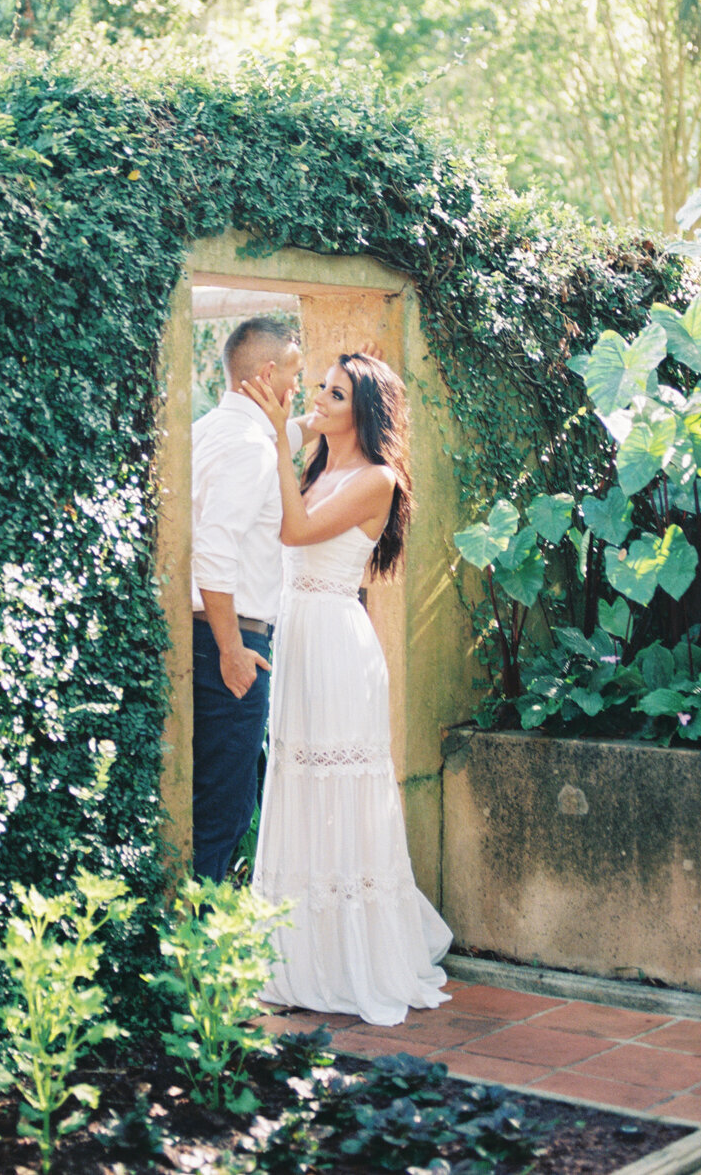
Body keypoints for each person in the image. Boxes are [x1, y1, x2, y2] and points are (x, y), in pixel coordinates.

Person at [242, 352, 452, 1026]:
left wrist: (282, 436)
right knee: (300, 784)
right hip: (299, 637)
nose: (320, 400)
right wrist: (292, 430)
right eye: (322, 390)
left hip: (335, 643)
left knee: (338, 792)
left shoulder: (376, 478)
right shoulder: (322, 466)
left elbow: (294, 531)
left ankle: (349, 957)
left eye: (335, 395)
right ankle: (298, 954)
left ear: (361, 411)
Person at [190, 315, 307, 883]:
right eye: (296, 375)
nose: (300, 388)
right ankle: (204, 958)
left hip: (199, 635)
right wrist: (232, 649)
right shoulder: (251, 450)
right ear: (267, 374)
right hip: (227, 643)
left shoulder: (211, 430)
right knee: (224, 808)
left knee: (205, 799)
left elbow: (290, 430)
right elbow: (213, 550)